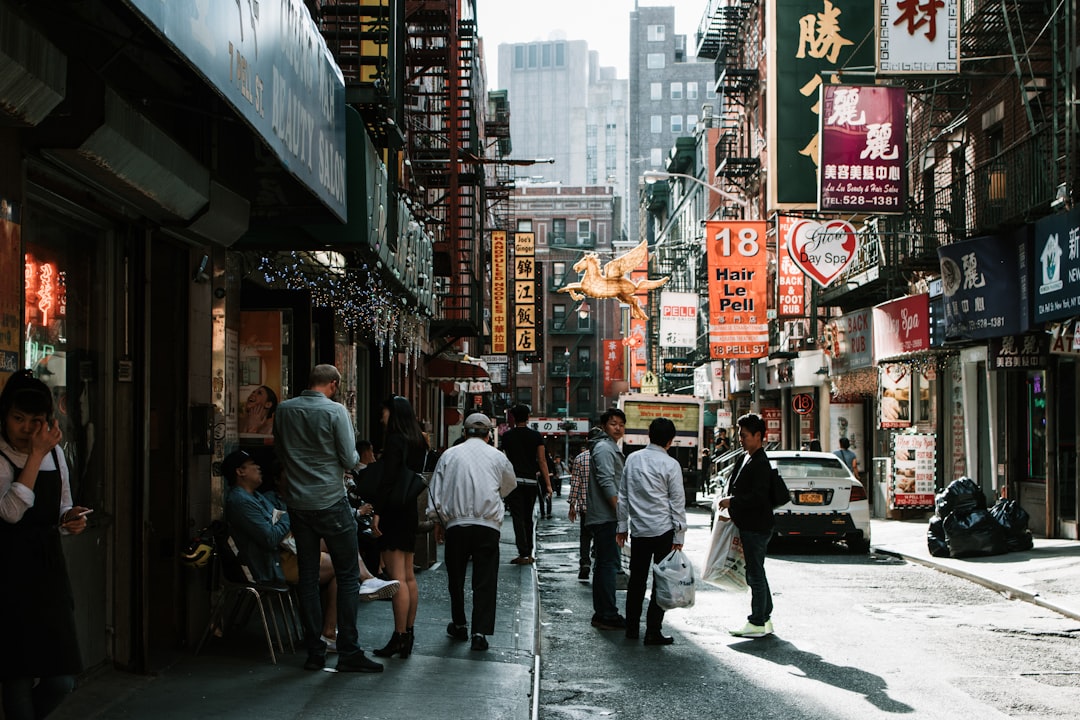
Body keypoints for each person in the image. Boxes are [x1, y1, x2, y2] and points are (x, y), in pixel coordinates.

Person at [222, 451, 398, 648]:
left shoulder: (253, 497)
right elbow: (270, 537)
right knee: (342, 566)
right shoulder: (239, 501)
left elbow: (276, 522)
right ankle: (331, 629)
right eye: (252, 464)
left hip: (284, 552)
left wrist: (284, 518)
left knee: (340, 544)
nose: (258, 467)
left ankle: (363, 585)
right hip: (272, 563)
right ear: (240, 472)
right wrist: (289, 515)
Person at [273, 364, 382, 673]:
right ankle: (348, 649)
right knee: (348, 574)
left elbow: (280, 452)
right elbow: (350, 459)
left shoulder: (284, 410)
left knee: (308, 575)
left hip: (297, 503)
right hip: (330, 500)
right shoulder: (336, 412)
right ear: (333, 384)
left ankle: (314, 650)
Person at [0, 370, 90, 719]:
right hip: (8, 574)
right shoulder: (7, 456)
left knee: (61, 680)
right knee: (17, 678)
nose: (25, 428)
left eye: (35, 420)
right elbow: (9, 513)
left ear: (48, 421)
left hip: (48, 574)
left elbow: (62, 507)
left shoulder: (56, 456)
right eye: (17, 418)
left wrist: (72, 521)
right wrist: (36, 455)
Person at [426, 413, 517, 651]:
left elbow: (436, 492)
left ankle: (459, 623)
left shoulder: (449, 455)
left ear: (464, 432)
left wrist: (437, 521)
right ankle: (480, 632)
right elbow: (509, 486)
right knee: (485, 579)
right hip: (487, 526)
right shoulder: (498, 457)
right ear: (489, 435)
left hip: (456, 524)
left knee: (455, 577)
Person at [616, 417, 687, 645]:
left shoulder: (633, 460)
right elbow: (677, 502)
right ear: (670, 440)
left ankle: (632, 628)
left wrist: (621, 527)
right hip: (663, 530)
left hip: (639, 531)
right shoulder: (671, 465)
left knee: (636, 580)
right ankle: (653, 631)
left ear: (649, 435)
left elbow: (623, 496)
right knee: (660, 581)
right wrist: (679, 535)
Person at [372, 396, 429, 659]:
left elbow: (388, 480)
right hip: (408, 509)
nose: (381, 417)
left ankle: (399, 636)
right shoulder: (418, 440)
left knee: (397, 578)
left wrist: (377, 512)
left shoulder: (395, 440)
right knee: (408, 575)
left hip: (393, 510)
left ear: (393, 414)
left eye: (383, 412)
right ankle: (408, 633)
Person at [716, 413, 775, 639]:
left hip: (757, 525)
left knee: (755, 573)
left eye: (744, 435)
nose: (740, 439)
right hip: (748, 523)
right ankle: (765, 615)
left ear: (758, 436)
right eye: (739, 435)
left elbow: (759, 497)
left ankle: (757, 620)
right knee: (756, 570)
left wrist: (733, 501)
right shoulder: (746, 457)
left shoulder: (760, 462)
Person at [586, 408, 627, 631]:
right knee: (608, 565)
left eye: (621, 424)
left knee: (605, 565)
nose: (618, 427)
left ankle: (604, 612)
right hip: (606, 517)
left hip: (607, 516)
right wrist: (620, 511)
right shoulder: (604, 448)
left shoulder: (609, 447)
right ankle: (606, 613)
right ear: (604, 426)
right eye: (613, 423)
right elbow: (606, 481)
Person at [500, 405, 551, 564]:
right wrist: (548, 484)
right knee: (528, 517)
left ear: (513, 418)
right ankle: (529, 552)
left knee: (517, 517)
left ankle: (523, 552)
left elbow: (504, 460)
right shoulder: (536, 436)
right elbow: (541, 461)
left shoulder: (507, 437)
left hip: (513, 481)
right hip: (530, 482)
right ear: (528, 417)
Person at [568, 429, 603, 582]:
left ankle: (585, 563)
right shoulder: (605, 458)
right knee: (601, 537)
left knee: (585, 536)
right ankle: (598, 566)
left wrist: (572, 505)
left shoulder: (580, 459)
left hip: (585, 508)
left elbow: (575, 483)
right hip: (603, 508)